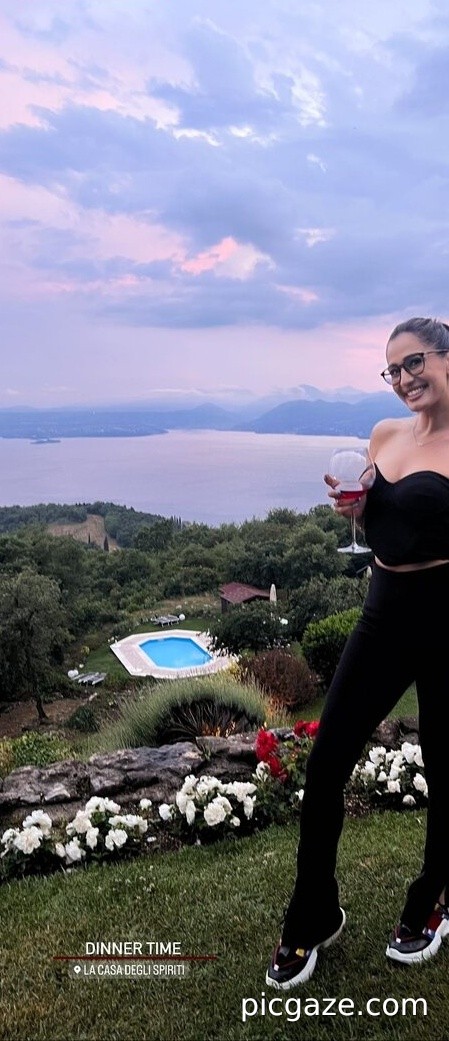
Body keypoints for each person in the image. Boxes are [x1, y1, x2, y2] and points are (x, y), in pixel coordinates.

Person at [266, 316, 449, 990]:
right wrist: (356, 512)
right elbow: (383, 523)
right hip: (382, 617)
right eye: (392, 369)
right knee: (325, 764)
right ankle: (312, 914)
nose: (402, 379)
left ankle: (431, 899)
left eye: (414, 362)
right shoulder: (384, 434)